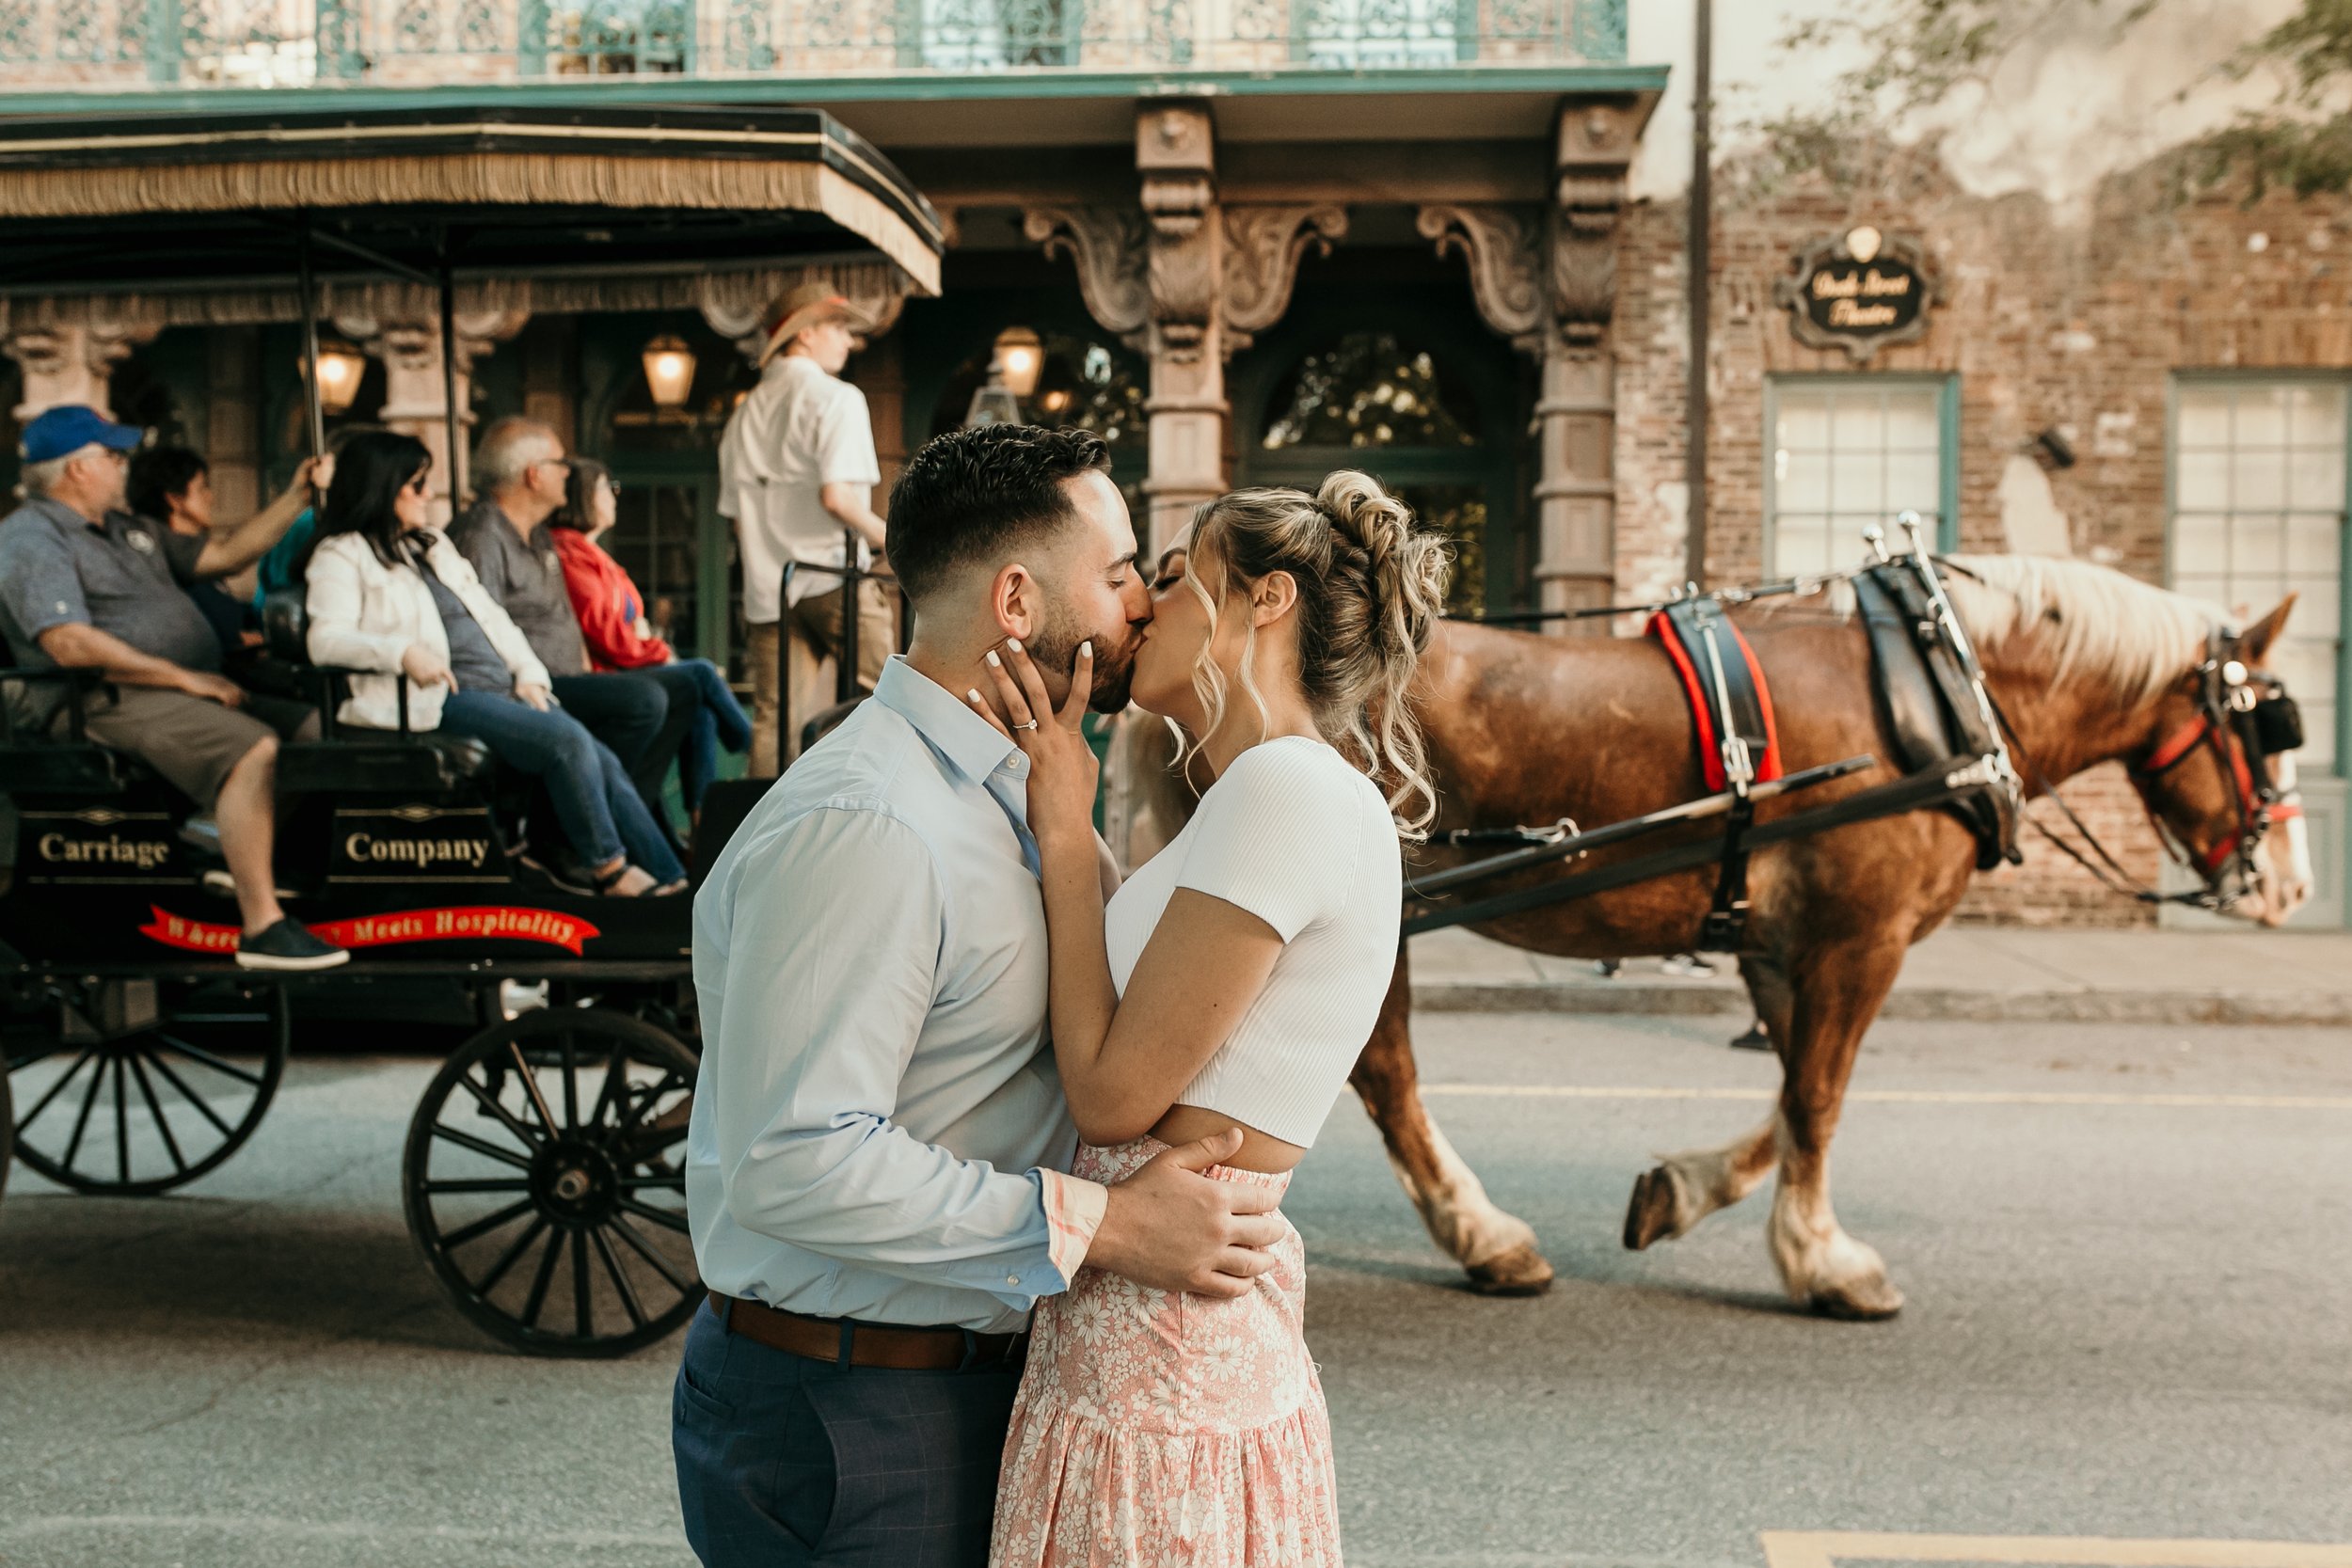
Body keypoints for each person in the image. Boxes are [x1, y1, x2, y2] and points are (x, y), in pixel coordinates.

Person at [676, 425, 1286, 1568]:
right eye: (1114, 578)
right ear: (1016, 600)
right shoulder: (871, 824)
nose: (1137, 610)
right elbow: (794, 1155)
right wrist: (1104, 1224)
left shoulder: (1027, 783)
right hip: (852, 1409)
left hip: (942, 1382)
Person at [973, 471, 1447, 1568]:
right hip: (1155, 1319)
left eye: (1180, 578)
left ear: (1265, 600)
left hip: (1162, 1351)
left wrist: (1059, 829)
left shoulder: (1286, 790)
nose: (1145, 606)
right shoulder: (1263, 794)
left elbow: (1110, 1090)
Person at [0, 404, 344, 971]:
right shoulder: (32, 538)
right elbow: (69, 644)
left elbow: (226, 554)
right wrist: (183, 677)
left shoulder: (127, 528)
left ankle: (227, 850)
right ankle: (261, 924)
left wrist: (297, 495)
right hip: (96, 700)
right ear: (76, 470)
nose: (124, 466)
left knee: (317, 728)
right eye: (113, 456)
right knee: (251, 745)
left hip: (172, 691)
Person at [300, 432, 687, 897]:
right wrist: (401, 654)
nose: (428, 496)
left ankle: (673, 884)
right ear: (384, 486)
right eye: (418, 484)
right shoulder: (342, 554)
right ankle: (609, 871)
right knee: (567, 739)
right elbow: (325, 640)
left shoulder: (430, 545)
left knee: (600, 757)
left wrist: (529, 673)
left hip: (500, 686)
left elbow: (492, 616)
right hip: (435, 695)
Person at [451, 417, 697, 837]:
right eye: (560, 462)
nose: (569, 472)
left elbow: (566, 619)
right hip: (529, 687)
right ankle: (561, 831)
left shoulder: (539, 536)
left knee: (686, 685)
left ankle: (634, 813)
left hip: (571, 678)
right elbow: (478, 628)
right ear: (534, 474)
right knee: (644, 701)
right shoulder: (482, 536)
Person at [717, 280, 897, 776]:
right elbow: (837, 497)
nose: (850, 340)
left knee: (776, 722)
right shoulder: (836, 398)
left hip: (771, 589)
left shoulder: (742, 416)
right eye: (838, 327)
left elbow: (735, 521)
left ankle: (760, 841)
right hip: (835, 579)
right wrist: (894, 540)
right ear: (806, 334)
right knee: (893, 702)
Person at [548, 458, 751, 822]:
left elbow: (628, 624)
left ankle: (702, 819)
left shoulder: (597, 556)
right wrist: (657, 651)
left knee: (702, 704)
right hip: (607, 676)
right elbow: (608, 633)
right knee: (702, 674)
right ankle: (748, 743)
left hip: (627, 665)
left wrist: (642, 638)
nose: (614, 497)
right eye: (607, 489)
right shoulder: (569, 552)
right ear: (583, 497)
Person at [129, 444, 255, 659]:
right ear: (175, 500)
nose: (210, 497)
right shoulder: (171, 565)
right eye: (201, 488)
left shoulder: (196, 557)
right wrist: (237, 640)